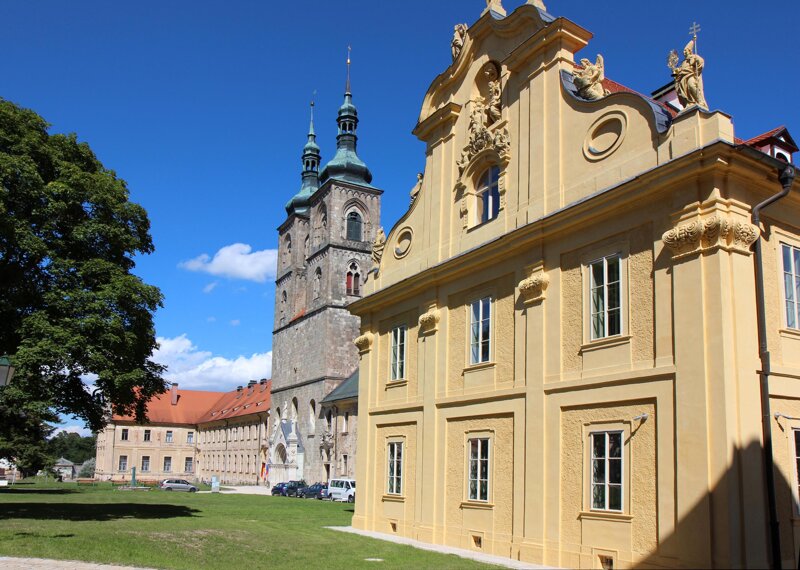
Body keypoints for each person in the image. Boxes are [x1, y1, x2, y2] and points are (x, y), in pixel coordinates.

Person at [673, 39, 707, 109]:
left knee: (691, 85)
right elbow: (681, 70)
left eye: (685, 50)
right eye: (684, 51)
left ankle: (699, 100)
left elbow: (701, 62)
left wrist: (697, 59)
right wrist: (677, 71)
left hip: (690, 75)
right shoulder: (683, 62)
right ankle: (689, 103)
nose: (684, 52)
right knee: (684, 91)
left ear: (689, 50)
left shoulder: (693, 57)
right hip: (682, 78)